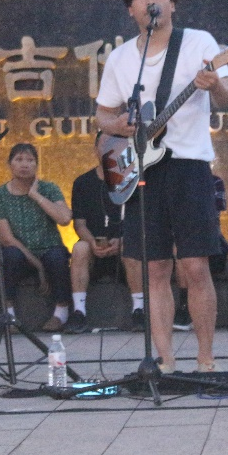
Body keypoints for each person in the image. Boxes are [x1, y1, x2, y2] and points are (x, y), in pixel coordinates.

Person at [96, 0, 228, 373]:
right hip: (143, 170)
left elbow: (226, 98)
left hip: (189, 165)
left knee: (195, 265)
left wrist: (214, 84)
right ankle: (165, 360)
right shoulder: (122, 58)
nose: (151, 1)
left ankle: (206, 359)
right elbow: (102, 115)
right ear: (131, 9)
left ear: (172, 3)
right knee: (154, 268)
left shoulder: (199, 42)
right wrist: (118, 125)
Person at [0, 142, 73, 332]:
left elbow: (64, 219)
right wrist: (38, 266)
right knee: (9, 254)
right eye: (19, 159)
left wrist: (36, 196)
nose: (24, 164)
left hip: (48, 248)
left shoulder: (49, 189)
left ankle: (61, 313)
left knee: (58, 257)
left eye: (30, 160)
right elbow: (6, 238)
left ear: (36, 164)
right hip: (19, 251)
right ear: (10, 164)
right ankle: (9, 313)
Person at [65, 143, 144, 334]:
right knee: (79, 248)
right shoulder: (83, 182)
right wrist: (92, 242)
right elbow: (79, 224)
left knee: (131, 246)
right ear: (96, 150)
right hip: (94, 247)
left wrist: (123, 238)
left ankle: (139, 310)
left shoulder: (132, 181)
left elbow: (140, 219)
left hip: (123, 245)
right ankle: (78, 311)